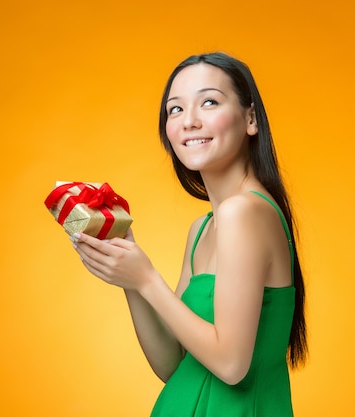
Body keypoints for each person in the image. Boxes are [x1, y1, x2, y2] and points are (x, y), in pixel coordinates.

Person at [71, 52, 307, 416]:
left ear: (251, 119)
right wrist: (129, 279)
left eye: (209, 102)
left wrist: (147, 279)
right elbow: (173, 363)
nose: (189, 121)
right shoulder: (203, 229)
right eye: (175, 110)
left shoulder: (245, 211)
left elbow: (230, 366)